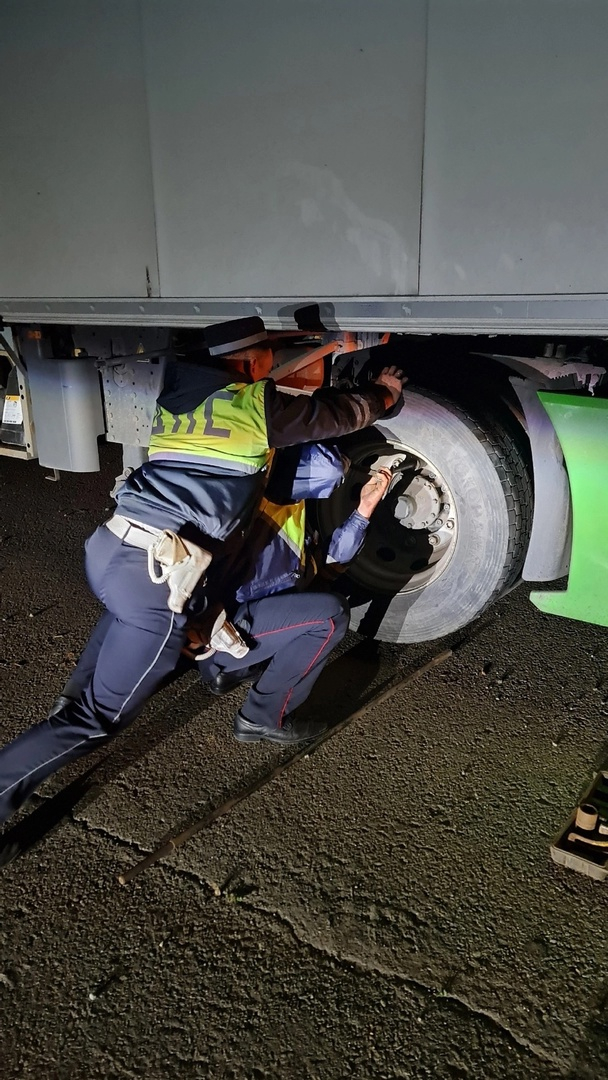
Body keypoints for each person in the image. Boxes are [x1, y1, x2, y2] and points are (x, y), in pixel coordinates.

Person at [0, 316, 405, 825]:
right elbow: (339, 414)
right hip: (153, 578)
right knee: (96, 721)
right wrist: (384, 395)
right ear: (245, 361)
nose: (267, 364)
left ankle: (60, 721)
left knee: (91, 687)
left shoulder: (176, 402)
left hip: (113, 551)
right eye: (262, 355)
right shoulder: (253, 407)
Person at [188, 442, 394, 744]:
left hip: (240, 627)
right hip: (221, 631)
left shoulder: (295, 511)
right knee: (330, 616)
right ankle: (260, 718)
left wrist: (362, 512)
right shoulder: (258, 494)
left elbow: (329, 566)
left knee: (318, 594)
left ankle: (232, 670)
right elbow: (328, 468)